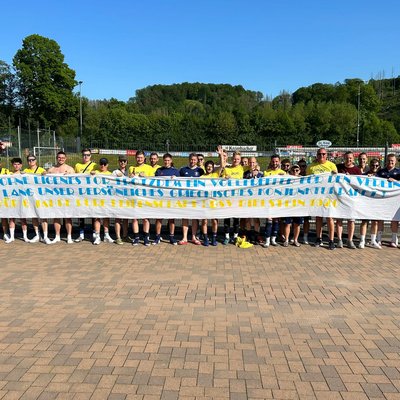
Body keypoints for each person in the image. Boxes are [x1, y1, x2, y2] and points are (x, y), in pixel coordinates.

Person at [306, 148, 337, 250]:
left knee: (329, 217)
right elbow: (306, 181)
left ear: (326, 155)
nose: (322, 156)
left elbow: (337, 180)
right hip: (316, 196)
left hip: (328, 196)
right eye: (319, 154)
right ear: (316, 155)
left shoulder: (331, 165)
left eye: (324, 154)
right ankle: (318, 238)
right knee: (318, 217)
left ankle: (331, 240)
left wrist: (335, 174)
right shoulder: (311, 167)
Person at [217, 146, 244, 245]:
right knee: (227, 217)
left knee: (236, 218)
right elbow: (222, 176)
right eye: (234, 159)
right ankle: (227, 237)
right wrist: (226, 178)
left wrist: (257, 168)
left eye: (238, 159)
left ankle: (235, 236)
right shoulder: (227, 169)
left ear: (240, 160)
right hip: (228, 197)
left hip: (238, 197)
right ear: (231, 159)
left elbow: (254, 166)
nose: (236, 160)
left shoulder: (242, 168)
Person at [47, 151, 75, 244]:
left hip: (67, 197)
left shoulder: (70, 169)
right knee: (56, 217)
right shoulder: (51, 170)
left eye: (63, 157)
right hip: (55, 197)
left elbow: (76, 183)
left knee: (67, 217)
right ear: (56, 158)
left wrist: (70, 177)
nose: (61, 159)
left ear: (65, 158)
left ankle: (69, 236)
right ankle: (57, 236)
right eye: (59, 157)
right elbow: (45, 182)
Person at [335, 151, 361, 249]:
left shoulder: (357, 170)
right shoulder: (338, 167)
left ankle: (350, 240)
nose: (348, 160)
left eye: (350, 158)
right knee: (339, 219)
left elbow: (361, 183)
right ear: (344, 158)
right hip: (340, 198)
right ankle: (340, 240)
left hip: (351, 198)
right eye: (346, 158)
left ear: (353, 159)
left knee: (351, 220)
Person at [129, 151, 155, 245]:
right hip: (134, 196)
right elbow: (128, 182)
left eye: (141, 157)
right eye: (138, 157)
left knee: (145, 218)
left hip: (145, 196)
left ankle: (146, 237)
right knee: (135, 217)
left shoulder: (149, 168)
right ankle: (136, 237)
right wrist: (130, 177)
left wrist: (146, 177)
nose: (139, 159)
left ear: (144, 158)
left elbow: (153, 181)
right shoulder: (131, 168)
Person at [23, 154, 50, 244]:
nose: (31, 161)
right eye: (29, 160)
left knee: (43, 216)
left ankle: (45, 236)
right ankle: (37, 235)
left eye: (33, 160)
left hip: (41, 197)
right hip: (30, 197)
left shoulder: (41, 170)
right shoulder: (25, 171)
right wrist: (21, 175)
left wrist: (45, 174)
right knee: (34, 216)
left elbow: (48, 181)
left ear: (36, 160)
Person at [154, 153, 180, 245]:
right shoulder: (159, 171)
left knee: (171, 218)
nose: (167, 162)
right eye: (165, 160)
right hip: (161, 198)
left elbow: (180, 184)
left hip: (171, 198)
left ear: (171, 161)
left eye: (168, 160)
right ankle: (157, 237)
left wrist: (176, 179)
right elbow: (153, 183)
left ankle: (171, 237)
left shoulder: (176, 172)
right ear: (163, 161)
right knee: (159, 218)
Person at [179, 153, 204, 245]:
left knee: (194, 217)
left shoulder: (200, 171)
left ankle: (193, 237)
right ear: (189, 160)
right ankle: (184, 237)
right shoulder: (183, 170)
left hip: (196, 198)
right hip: (185, 197)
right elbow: (177, 181)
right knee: (185, 217)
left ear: (197, 160)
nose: (192, 161)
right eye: (191, 159)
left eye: (194, 160)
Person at [376, 154, 400, 247]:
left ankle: (394, 239)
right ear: (386, 161)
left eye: (392, 161)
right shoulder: (381, 171)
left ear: (395, 161)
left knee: (394, 219)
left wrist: (395, 181)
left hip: (394, 200)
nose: (390, 162)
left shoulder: (399, 172)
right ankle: (378, 239)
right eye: (389, 160)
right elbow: (374, 181)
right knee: (380, 218)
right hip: (382, 199)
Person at [3, 158, 29, 243]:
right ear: (12, 165)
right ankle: (12, 237)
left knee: (23, 218)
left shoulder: (25, 174)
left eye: (18, 164)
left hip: (22, 199)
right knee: (11, 218)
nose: (16, 166)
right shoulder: (9, 175)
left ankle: (25, 236)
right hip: (12, 199)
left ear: (21, 165)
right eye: (15, 164)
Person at [74, 149, 98, 242]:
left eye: (88, 155)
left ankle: (94, 234)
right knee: (81, 214)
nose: (86, 156)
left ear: (90, 156)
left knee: (93, 213)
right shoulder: (77, 165)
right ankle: (81, 234)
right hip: (81, 194)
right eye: (84, 155)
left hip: (92, 193)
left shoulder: (94, 165)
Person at [263, 154, 286, 248]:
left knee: (276, 220)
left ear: (279, 162)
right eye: (273, 161)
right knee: (269, 220)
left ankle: (273, 239)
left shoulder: (283, 173)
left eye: (276, 161)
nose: (275, 163)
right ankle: (267, 240)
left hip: (278, 200)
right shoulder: (266, 172)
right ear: (270, 161)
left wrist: (283, 177)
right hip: (269, 200)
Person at [358, 159, 381, 249]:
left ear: (379, 166)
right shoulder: (365, 175)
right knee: (364, 221)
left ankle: (373, 240)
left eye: (376, 165)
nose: (374, 167)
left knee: (375, 221)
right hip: (366, 201)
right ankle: (362, 240)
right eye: (372, 165)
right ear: (369, 166)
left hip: (377, 202)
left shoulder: (381, 176)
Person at [90, 158, 114, 245]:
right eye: (101, 163)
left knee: (106, 217)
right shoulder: (95, 172)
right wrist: (91, 174)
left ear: (107, 165)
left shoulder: (110, 174)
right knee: (97, 217)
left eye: (104, 164)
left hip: (106, 199)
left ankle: (106, 235)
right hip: (96, 199)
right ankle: (97, 236)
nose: (102, 165)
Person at [283, 164, 303, 247]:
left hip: (298, 205)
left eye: (297, 170)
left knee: (297, 224)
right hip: (288, 204)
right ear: (290, 171)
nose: (295, 172)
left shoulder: (303, 179)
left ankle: (295, 240)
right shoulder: (286, 179)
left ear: (300, 171)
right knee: (287, 223)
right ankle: (286, 240)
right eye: (293, 170)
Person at [201, 160, 220, 246]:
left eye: (211, 167)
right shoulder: (201, 177)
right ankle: (205, 238)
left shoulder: (215, 175)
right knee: (204, 221)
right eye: (207, 166)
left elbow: (222, 166)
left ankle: (214, 237)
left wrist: (221, 155)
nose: (209, 168)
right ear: (205, 167)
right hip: (204, 201)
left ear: (213, 168)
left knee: (214, 221)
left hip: (214, 201)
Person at [112, 155, 130, 244]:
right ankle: (118, 237)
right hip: (118, 198)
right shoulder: (115, 172)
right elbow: (110, 183)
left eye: (124, 161)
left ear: (127, 163)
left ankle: (125, 235)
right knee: (118, 218)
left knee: (126, 218)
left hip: (127, 198)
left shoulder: (129, 172)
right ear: (118, 162)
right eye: (121, 161)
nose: (122, 163)